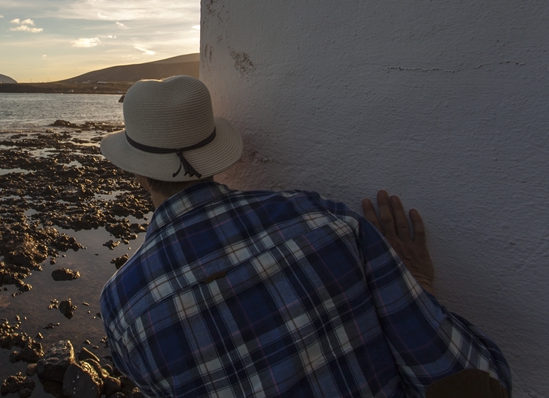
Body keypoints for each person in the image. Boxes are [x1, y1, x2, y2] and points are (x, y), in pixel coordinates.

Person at [99, 75, 511, 397]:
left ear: (135, 169)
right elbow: (474, 384)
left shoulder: (124, 305)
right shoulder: (329, 224)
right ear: (215, 152)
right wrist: (419, 286)